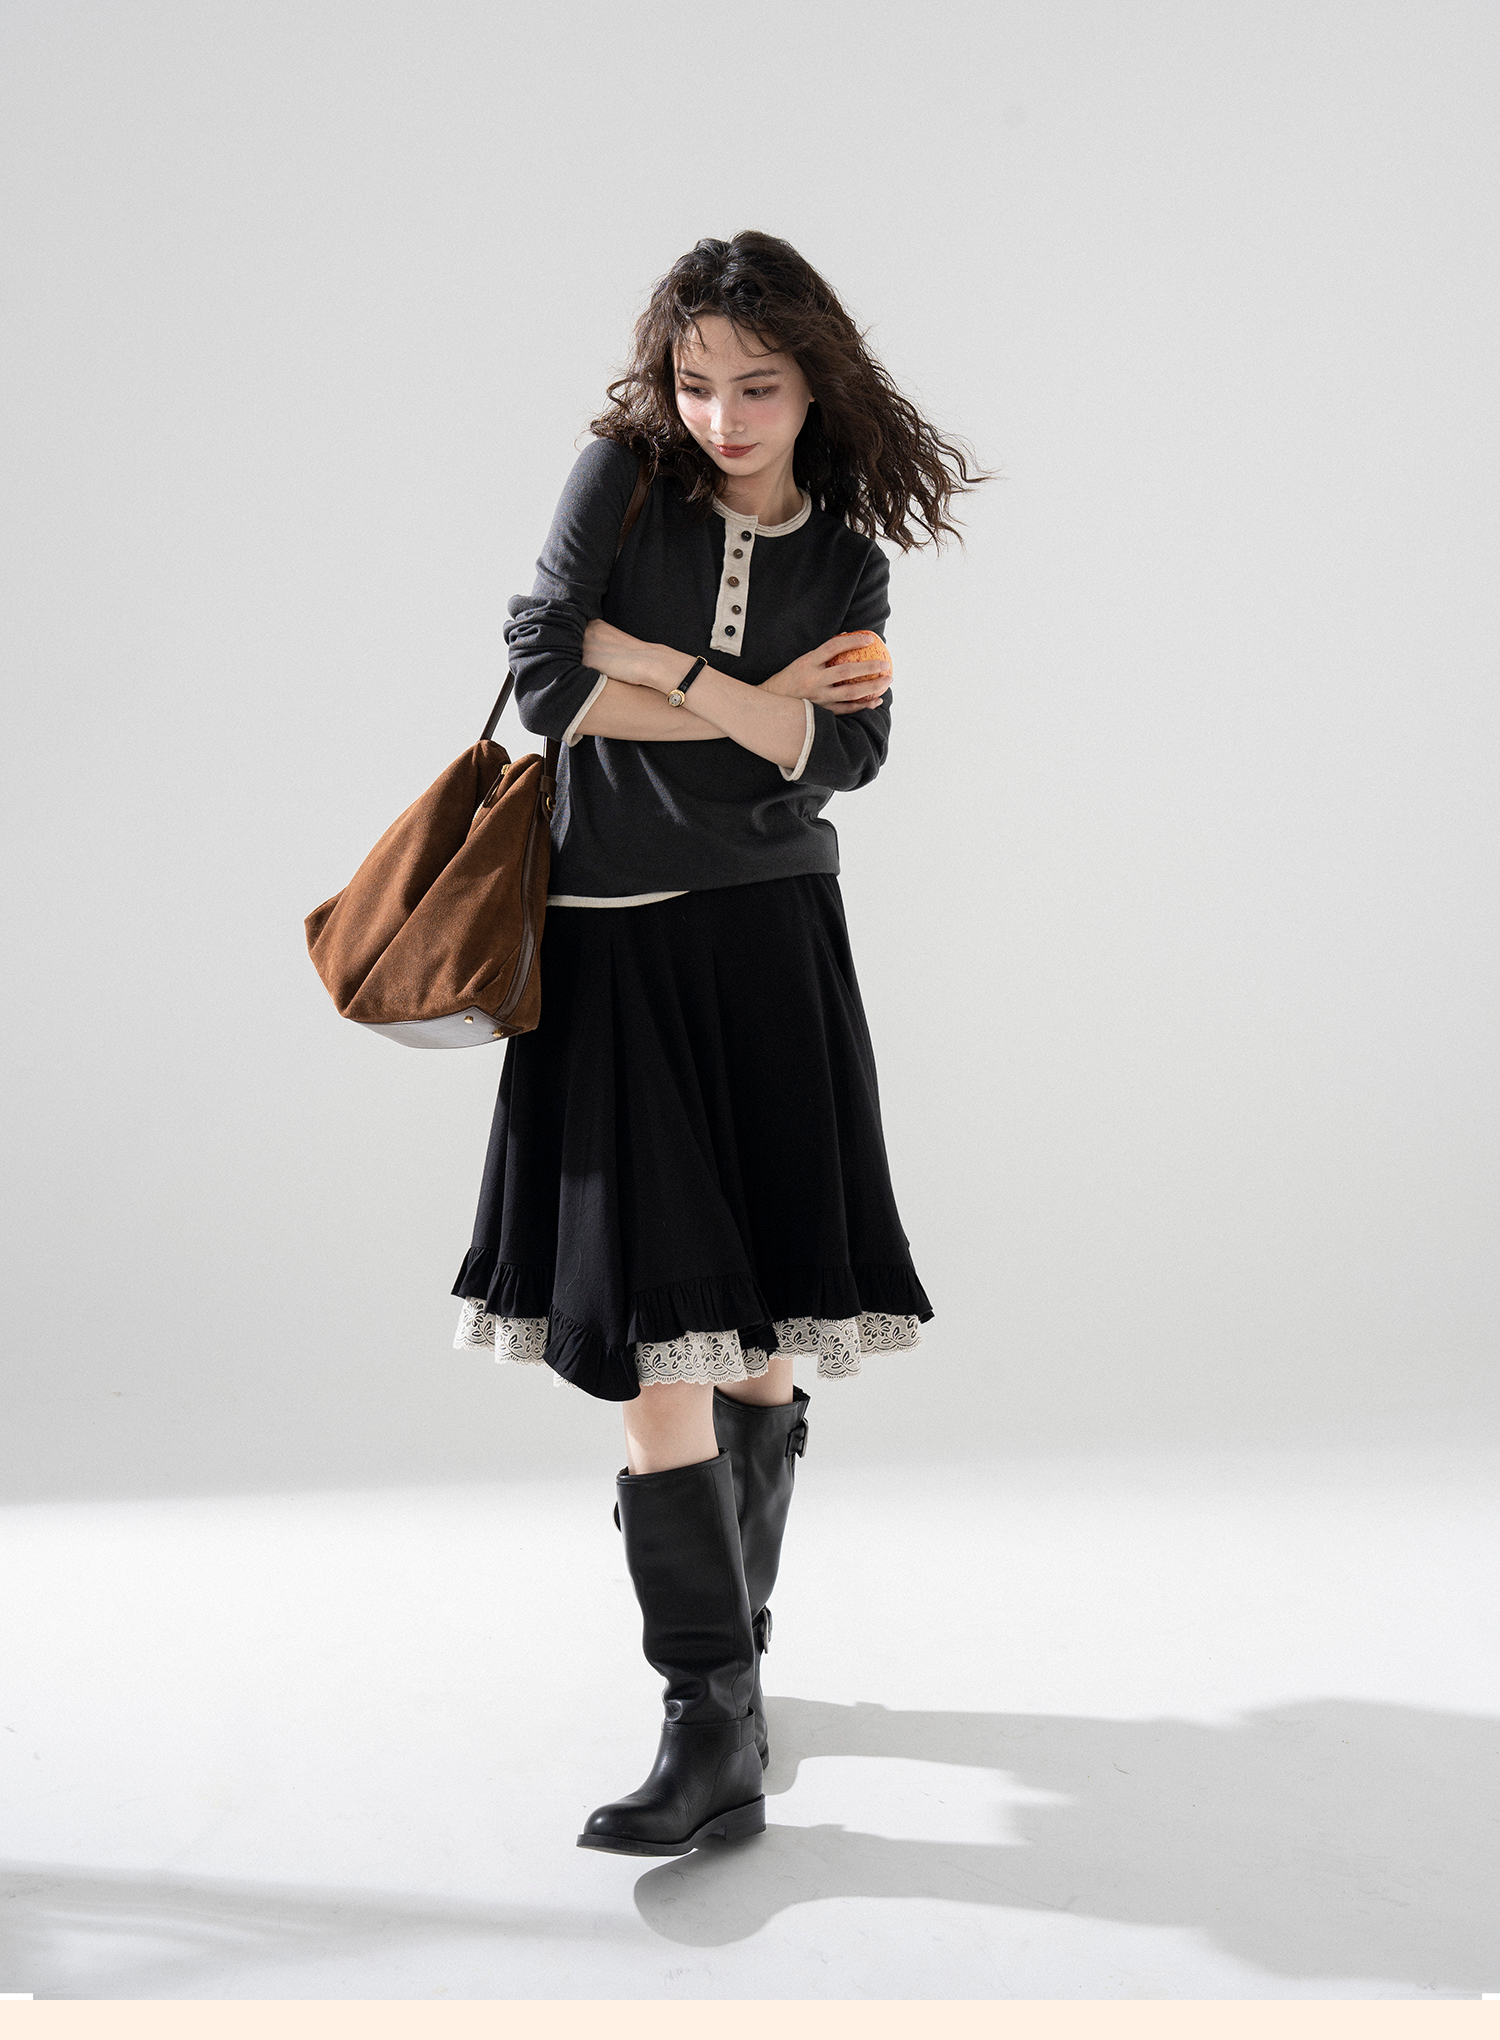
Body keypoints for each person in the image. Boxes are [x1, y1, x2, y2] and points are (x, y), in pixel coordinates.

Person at [451, 231, 987, 1857]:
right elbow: (543, 682)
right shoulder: (621, 480)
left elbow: (846, 762)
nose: (723, 418)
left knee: (753, 1333)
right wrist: (742, 693)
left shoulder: (850, 563)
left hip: (770, 948)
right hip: (611, 948)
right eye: (696, 383)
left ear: (818, 385)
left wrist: (646, 665)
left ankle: (733, 1681)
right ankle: (706, 1709)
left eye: (758, 387)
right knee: (656, 1334)